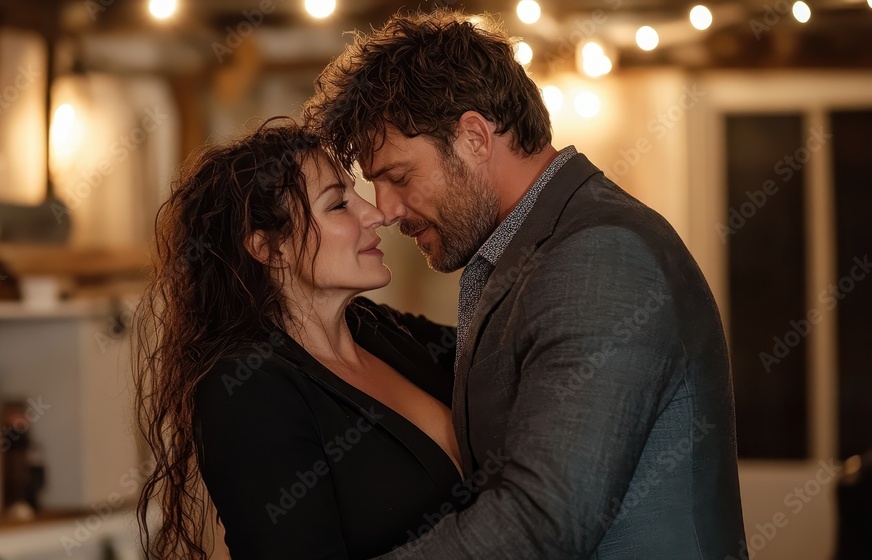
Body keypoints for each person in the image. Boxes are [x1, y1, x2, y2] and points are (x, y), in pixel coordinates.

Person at [304, 10, 747, 559]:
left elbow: (545, 517)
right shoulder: (532, 251)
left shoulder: (599, 255)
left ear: (473, 137)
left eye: (398, 177)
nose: (387, 210)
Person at [132, 117, 468, 559]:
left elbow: (511, 349)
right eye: (338, 204)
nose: (376, 214)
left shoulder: (374, 326)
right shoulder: (248, 388)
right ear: (269, 249)